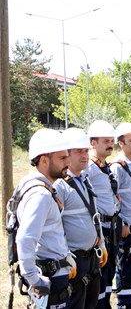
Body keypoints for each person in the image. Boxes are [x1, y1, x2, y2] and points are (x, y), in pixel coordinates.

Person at [15, 129, 74, 308]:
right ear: (44, 160)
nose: (68, 162)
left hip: (52, 274)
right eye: (62, 158)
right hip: (50, 279)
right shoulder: (40, 194)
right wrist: (34, 279)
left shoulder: (34, 186)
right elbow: (25, 238)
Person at [55, 128, 104, 309]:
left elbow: (94, 214)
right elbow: (55, 226)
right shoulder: (60, 185)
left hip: (91, 258)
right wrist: (65, 256)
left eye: (85, 151)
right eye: (78, 151)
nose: (84, 156)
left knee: (91, 304)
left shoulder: (85, 179)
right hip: (75, 259)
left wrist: (102, 244)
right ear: (66, 154)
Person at [110, 122, 131, 309]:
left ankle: (129, 302)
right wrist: (121, 222)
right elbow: (113, 198)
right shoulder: (117, 166)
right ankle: (123, 304)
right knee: (124, 266)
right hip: (126, 225)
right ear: (121, 143)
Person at [86, 120, 120, 309]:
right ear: (93, 143)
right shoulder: (89, 168)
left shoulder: (104, 166)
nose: (110, 144)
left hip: (111, 227)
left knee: (109, 274)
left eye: (111, 140)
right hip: (100, 230)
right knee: (100, 276)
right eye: (106, 140)